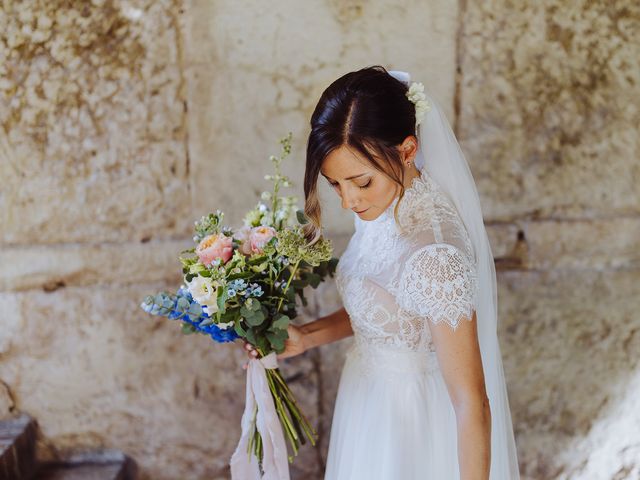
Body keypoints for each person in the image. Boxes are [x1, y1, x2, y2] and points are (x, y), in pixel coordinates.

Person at [243, 65, 520, 479]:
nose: (349, 201)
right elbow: (391, 314)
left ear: (407, 150)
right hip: (367, 407)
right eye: (335, 185)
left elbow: (471, 402)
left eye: (360, 182)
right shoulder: (381, 205)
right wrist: (307, 337)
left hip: (413, 429)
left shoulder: (436, 256)